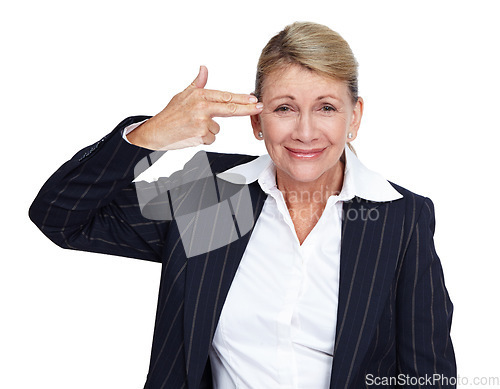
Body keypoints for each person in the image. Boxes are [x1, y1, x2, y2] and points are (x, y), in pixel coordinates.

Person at [29, 21, 456, 389]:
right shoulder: (215, 199)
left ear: (355, 118)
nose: (305, 132)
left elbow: (428, 375)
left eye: (326, 108)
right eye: (284, 108)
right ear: (256, 120)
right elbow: (62, 217)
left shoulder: (398, 217)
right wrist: (149, 137)